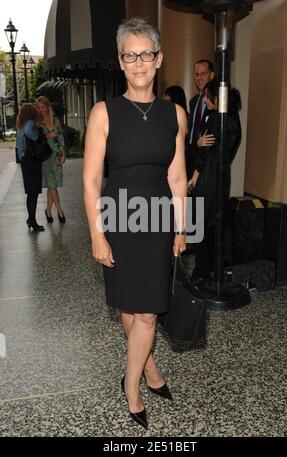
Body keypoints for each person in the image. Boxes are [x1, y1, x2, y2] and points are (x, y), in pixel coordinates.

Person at [83, 18, 187, 430]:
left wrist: (183, 228)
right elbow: (91, 179)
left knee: (148, 312)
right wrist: (96, 233)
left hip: (159, 218)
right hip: (119, 217)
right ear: (121, 62)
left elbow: (178, 178)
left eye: (147, 53)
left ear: (159, 59)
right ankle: (148, 371)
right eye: (130, 54)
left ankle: (131, 382)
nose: (139, 62)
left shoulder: (174, 115)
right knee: (130, 306)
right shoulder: (103, 112)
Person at [190, 78, 242, 281]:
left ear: (214, 97)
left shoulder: (214, 117)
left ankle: (201, 271)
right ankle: (212, 269)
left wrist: (194, 177)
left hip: (208, 176)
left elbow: (205, 152)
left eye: (206, 96)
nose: (204, 99)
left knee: (201, 222)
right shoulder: (233, 117)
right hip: (223, 174)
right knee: (215, 223)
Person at [35, 96, 66, 224]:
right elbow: (36, 139)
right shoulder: (37, 123)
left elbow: (61, 137)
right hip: (45, 158)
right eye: (38, 107)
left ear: (48, 107)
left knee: (51, 185)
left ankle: (48, 210)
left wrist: (63, 153)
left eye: (43, 107)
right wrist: (48, 135)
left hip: (56, 155)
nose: (41, 110)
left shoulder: (55, 121)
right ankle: (60, 211)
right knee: (52, 185)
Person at [16, 104, 45, 232]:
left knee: (31, 193)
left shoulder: (20, 125)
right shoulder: (30, 122)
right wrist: (39, 137)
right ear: (31, 112)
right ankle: (32, 221)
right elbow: (30, 134)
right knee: (33, 193)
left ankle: (31, 219)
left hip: (25, 160)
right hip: (31, 160)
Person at [187, 59, 215, 180]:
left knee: (202, 198)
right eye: (197, 74)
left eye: (203, 74)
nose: (199, 78)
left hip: (207, 162)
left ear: (212, 75)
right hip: (190, 158)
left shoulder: (218, 102)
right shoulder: (193, 101)